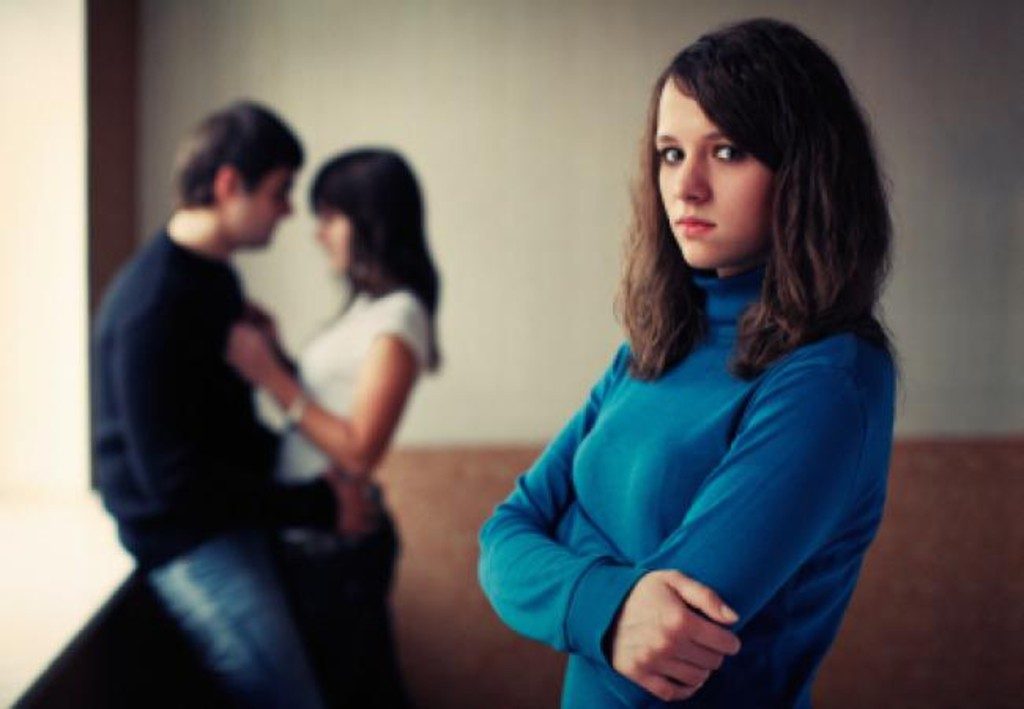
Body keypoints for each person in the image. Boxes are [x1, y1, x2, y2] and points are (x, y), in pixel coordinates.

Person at [478, 18, 896, 708]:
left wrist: (570, 554)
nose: (687, 187)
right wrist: (613, 599)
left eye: (727, 151)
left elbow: (666, 648)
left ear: (805, 172)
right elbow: (501, 537)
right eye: (671, 154)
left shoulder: (827, 380)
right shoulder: (651, 348)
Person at [92, 101, 379, 708]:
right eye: (279, 192)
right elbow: (174, 483)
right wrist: (317, 504)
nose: (288, 211)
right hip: (188, 542)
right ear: (228, 185)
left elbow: (219, 428)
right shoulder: (154, 303)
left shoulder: (212, 279)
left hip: (228, 524)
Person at [225, 148, 441, 708]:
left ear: (369, 222)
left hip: (336, 549)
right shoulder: (366, 310)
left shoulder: (400, 315)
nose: (318, 233)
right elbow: (326, 410)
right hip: (314, 536)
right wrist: (278, 354)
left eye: (329, 216)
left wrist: (271, 376)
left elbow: (360, 448)